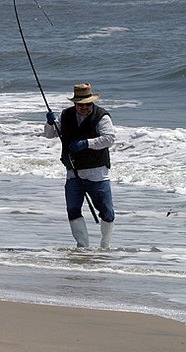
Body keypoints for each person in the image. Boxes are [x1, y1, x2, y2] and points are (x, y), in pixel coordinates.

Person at [44, 83, 115, 248]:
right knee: (73, 210)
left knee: (107, 212)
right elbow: (49, 135)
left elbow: (109, 139)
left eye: (88, 104)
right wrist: (49, 123)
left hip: (97, 171)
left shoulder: (102, 116)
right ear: (74, 103)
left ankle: (105, 246)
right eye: (80, 105)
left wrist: (86, 143)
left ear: (92, 103)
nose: (84, 108)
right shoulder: (66, 115)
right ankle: (82, 247)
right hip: (73, 171)